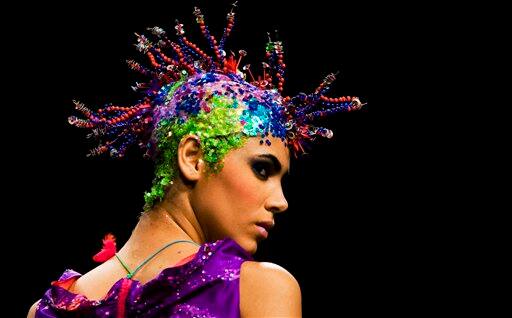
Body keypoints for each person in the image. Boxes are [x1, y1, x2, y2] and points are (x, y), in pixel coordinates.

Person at [28, 4, 363, 317]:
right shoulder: (257, 291)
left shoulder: (47, 309)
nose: (281, 202)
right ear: (193, 158)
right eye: (262, 169)